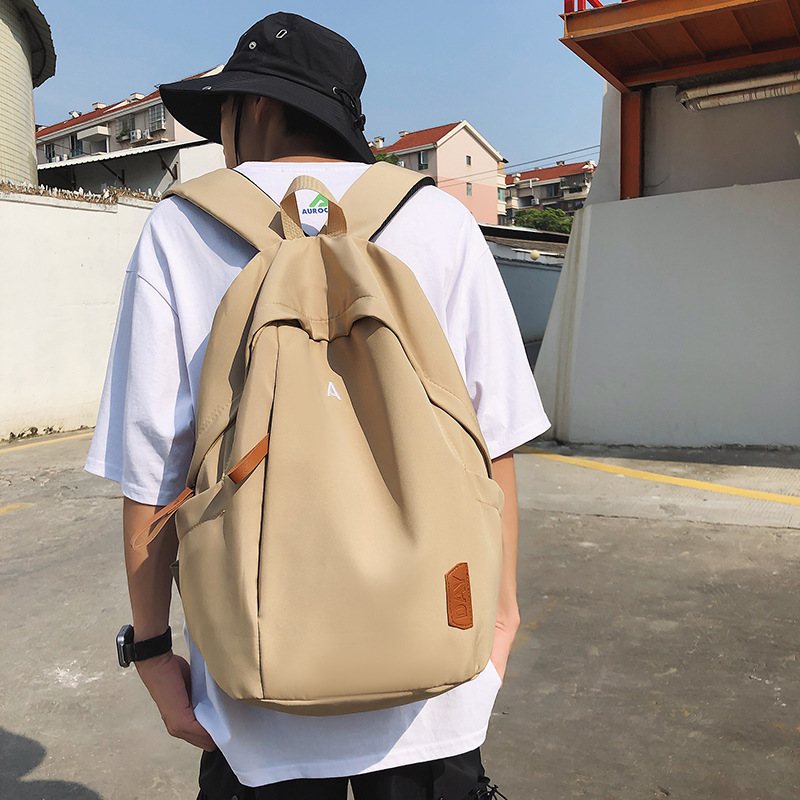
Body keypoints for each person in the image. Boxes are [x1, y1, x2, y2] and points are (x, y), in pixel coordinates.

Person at [86, 12, 549, 800]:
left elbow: (153, 470)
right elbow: (489, 442)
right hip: (436, 681)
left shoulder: (181, 226)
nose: (222, 137)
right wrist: (499, 617)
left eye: (225, 112)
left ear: (257, 108)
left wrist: (155, 651)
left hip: (257, 692)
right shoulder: (438, 218)